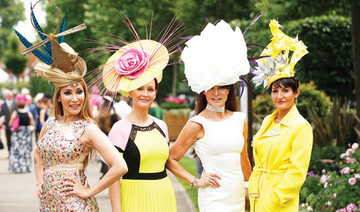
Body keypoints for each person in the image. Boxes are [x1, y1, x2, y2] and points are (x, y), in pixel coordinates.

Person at [15, 4, 128, 211]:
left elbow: (120, 166)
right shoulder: (50, 124)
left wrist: (89, 191)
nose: (75, 98)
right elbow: (38, 154)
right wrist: (40, 181)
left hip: (76, 205)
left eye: (79, 92)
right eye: (68, 93)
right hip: (48, 205)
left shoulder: (88, 128)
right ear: (59, 97)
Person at [92, 15, 185, 212]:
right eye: (140, 88)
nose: (145, 93)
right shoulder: (119, 129)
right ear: (131, 92)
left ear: (156, 92)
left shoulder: (162, 125)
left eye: (150, 89)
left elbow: (167, 162)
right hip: (134, 198)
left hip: (163, 196)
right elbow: (114, 179)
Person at [167, 20, 252, 211]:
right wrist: (195, 181)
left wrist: (249, 192)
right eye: (211, 88)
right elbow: (171, 159)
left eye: (221, 87)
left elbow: (244, 161)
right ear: (203, 91)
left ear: (229, 90)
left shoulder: (239, 120)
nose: (216, 93)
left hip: (238, 197)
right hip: (214, 200)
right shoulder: (197, 124)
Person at [249, 19, 313, 211]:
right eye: (275, 91)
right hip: (257, 197)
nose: (279, 96)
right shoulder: (269, 120)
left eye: (285, 91)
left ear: (296, 92)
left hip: (278, 203)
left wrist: (275, 200)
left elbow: (297, 172)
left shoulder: (301, 126)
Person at [9, 94, 35, 173]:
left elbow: (10, 123)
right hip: (26, 135)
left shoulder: (15, 113)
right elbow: (32, 124)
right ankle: (26, 167)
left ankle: (17, 167)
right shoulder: (28, 113)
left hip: (18, 134)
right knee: (26, 151)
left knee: (17, 151)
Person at [95, 96, 120, 179]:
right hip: (111, 138)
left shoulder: (98, 115)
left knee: (103, 156)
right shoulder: (114, 115)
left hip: (101, 138)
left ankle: (104, 172)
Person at [0, 89, 17, 155]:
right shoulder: (3, 105)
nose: (11, 97)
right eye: (10, 96)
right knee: (8, 139)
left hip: (14, 124)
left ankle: (14, 152)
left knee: (14, 139)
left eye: (12, 96)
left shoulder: (15, 104)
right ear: (7, 96)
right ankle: (10, 152)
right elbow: (1, 115)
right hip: (7, 124)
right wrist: (3, 124)